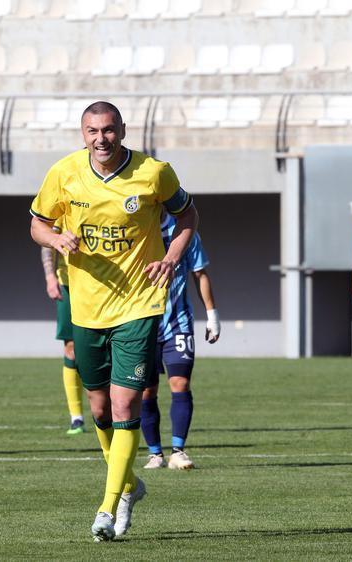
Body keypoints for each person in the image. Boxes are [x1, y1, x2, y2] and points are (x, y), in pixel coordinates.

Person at [29, 101, 198, 541]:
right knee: (99, 408)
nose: (100, 138)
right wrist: (56, 237)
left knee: (126, 406)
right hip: (86, 308)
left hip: (139, 306)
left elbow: (188, 216)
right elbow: (36, 225)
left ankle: (109, 506)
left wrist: (172, 256)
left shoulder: (154, 172)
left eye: (108, 130)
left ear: (121, 130)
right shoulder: (63, 172)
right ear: (82, 132)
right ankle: (128, 485)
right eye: (92, 131)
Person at [141, 213, 220, 470]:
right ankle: (155, 453)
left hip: (178, 323)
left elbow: (200, 273)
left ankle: (178, 451)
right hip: (142, 323)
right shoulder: (136, 230)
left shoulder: (185, 233)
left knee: (180, 382)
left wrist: (212, 315)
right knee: (146, 390)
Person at [41, 217, 86, 435]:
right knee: (71, 348)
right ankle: (76, 417)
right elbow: (47, 241)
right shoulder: (63, 204)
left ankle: (109, 409)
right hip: (68, 283)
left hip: (98, 284)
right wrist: (50, 277)